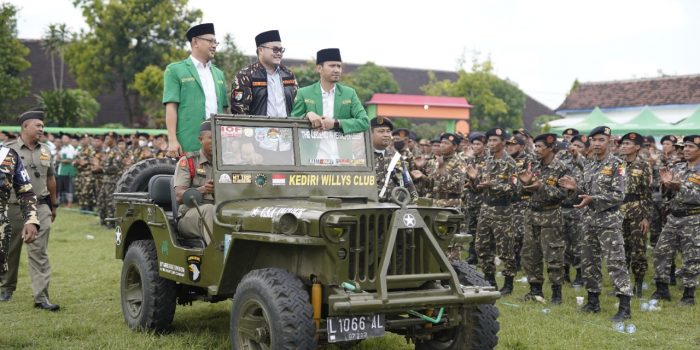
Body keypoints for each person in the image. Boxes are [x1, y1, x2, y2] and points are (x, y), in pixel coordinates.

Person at [558, 126, 633, 321]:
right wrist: (576, 188)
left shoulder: (618, 165)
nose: (597, 144)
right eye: (594, 140)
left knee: (616, 263)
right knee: (589, 262)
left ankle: (624, 306)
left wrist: (593, 198)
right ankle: (593, 302)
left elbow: (619, 195)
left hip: (608, 220)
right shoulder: (590, 165)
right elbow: (585, 191)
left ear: (610, 142)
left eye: (601, 140)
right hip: (589, 220)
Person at [0, 110, 59, 311]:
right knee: (9, 249)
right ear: (25, 127)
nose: (42, 129)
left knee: (39, 251)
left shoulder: (46, 150)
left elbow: (50, 178)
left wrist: (54, 204)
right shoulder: (8, 150)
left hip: (41, 206)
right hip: (13, 207)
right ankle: (6, 287)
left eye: (43, 126)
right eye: (38, 125)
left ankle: (41, 297)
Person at [517, 133, 569, 304]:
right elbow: (519, 191)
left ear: (551, 148)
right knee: (530, 254)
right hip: (532, 215)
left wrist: (542, 187)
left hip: (550, 216)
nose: (536, 150)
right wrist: (524, 185)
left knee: (553, 255)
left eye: (540, 147)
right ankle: (535, 290)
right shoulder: (532, 165)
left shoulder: (562, 168)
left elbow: (564, 194)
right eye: (535, 146)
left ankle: (556, 293)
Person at [163, 23, 229, 156]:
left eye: (216, 42)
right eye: (210, 41)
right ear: (195, 42)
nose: (214, 45)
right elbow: (171, 107)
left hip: (217, 144)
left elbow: (225, 110)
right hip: (187, 142)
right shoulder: (175, 70)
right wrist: (172, 140)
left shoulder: (219, 74)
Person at [650, 135, 700, 306]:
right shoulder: (678, 167)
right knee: (661, 252)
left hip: (693, 218)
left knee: (691, 257)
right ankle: (662, 289)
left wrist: (680, 188)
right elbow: (666, 194)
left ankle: (688, 295)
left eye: (691, 147)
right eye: (685, 146)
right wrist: (666, 186)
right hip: (673, 217)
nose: (686, 149)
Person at [467, 128, 517, 293]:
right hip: (485, 208)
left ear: (503, 142)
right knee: (482, 246)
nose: (491, 144)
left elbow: (514, 189)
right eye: (489, 141)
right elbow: (478, 188)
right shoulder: (486, 161)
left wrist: (493, 185)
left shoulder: (510, 162)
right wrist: (474, 180)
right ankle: (489, 280)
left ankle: (508, 284)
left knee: (506, 248)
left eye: (495, 140)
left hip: (502, 209)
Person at [291, 48, 369, 134]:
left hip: (341, 146)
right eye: (332, 66)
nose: (337, 70)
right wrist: (307, 115)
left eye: (339, 66)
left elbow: (364, 122)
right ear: (319, 68)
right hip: (311, 146)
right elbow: (292, 121)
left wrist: (336, 123)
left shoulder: (349, 93)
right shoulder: (303, 93)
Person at [231, 30, 298, 117]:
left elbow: (298, 105)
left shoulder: (288, 75)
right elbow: (239, 110)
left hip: (287, 129)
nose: (279, 53)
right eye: (275, 49)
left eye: (281, 50)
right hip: (258, 129)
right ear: (261, 50)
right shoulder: (246, 75)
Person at [618, 132, 653, 297]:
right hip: (620, 211)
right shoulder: (619, 165)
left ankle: (638, 285)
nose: (624, 146)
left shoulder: (644, 166)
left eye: (627, 144)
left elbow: (647, 193)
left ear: (637, 147)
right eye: (623, 144)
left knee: (638, 250)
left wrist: (646, 217)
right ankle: (623, 286)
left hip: (637, 212)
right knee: (621, 249)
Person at [173, 122, 215, 246]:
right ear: (200, 140)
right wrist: (202, 190)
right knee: (209, 210)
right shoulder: (189, 161)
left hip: (219, 211)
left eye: (218, 137)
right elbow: (178, 196)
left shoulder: (227, 162)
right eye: (211, 138)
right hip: (189, 215)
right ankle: (218, 255)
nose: (215, 141)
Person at [370, 118, 417, 202]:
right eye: (381, 131)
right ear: (370, 134)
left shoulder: (396, 157)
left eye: (388, 131)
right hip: (369, 210)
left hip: (393, 209)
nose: (386, 135)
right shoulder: (362, 156)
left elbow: (408, 184)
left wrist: (415, 203)